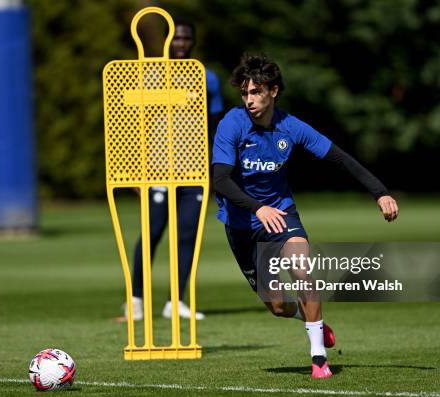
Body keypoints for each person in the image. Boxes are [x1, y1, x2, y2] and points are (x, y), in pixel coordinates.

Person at [212, 54, 398, 378]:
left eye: (256, 92)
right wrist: (257, 207)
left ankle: (319, 359)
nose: (250, 100)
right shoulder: (232, 123)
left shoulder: (291, 126)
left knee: (302, 270)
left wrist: (379, 191)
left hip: (282, 216)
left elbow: (339, 158)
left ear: (274, 91)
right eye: (245, 93)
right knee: (278, 307)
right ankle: (313, 320)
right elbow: (220, 180)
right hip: (242, 224)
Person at [125, 18, 224, 321]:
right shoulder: (153, 75)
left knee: (187, 236)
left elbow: (216, 124)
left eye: (185, 38)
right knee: (151, 233)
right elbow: (134, 124)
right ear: (167, 42)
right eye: (176, 38)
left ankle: (176, 300)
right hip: (158, 169)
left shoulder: (205, 77)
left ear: (192, 42)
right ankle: (136, 299)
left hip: (194, 169)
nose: (180, 44)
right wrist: (134, 167)